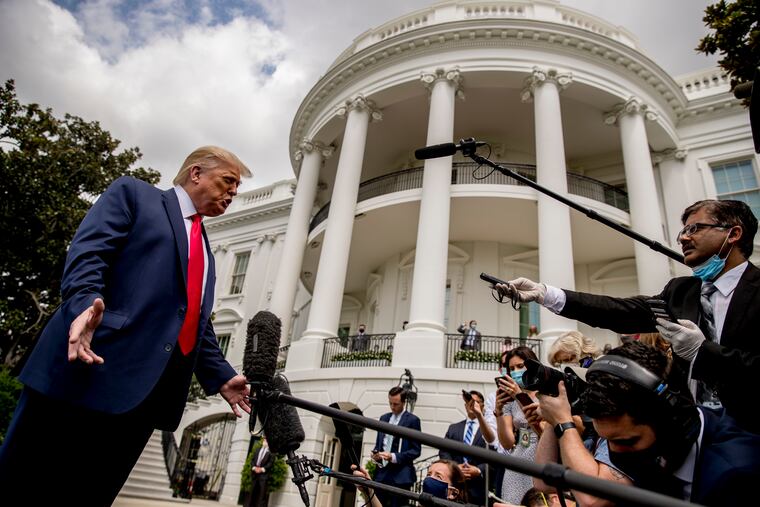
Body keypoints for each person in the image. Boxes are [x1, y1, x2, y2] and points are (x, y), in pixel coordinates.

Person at [0, 146, 253, 506]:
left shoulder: (206, 248)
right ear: (196, 174)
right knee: (24, 486)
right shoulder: (135, 195)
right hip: (86, 368)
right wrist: (85, 306)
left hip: (142, 401)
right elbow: (90, 254)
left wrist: (220, 374)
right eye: (228, 181)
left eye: (236, 188)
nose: (232, 192)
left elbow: (193, 319)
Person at [497, 199, 760, 431]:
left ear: (733, 234)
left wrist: (703, 354)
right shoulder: (680, 291)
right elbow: (618, 312)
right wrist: (545, 293)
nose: (683, 238)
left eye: (695, 228)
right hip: (693, 430)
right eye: (683, 231)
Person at [535, 341, 760, 506]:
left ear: (672, 419)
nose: (615, 452)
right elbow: (545, 484)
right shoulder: (652, 451)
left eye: (628, 441)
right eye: (607, 440)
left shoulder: (738, 474)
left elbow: (592, 500)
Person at [494, 346, 542, 505]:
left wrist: (519, 396)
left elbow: (543, 430)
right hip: (517, 459)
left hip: (541, 456)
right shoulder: (511, 399)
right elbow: (507, 443)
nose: (515, 371)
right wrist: (499, 411)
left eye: (520, 366)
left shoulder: (545, 392)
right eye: (512, 368)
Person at [371, 386, 422, 507]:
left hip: (401, 477)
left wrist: (393, 456)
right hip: (381, 475)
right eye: (390, 403)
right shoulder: (383, 418)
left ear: (404, 402)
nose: (393, 407)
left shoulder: (413, 420)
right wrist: (376, 454)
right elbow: (379, 443)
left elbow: (416, 450)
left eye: (396, 404)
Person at [439, 390, 489, 505]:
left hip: (479, 489)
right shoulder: (453, 428)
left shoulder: (490, 430)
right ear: (465, 405)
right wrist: (455, 467)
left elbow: (496, 456)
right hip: (455, 487)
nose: (472, 405)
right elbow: (444, 451)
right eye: (469, 402)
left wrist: (478, 470)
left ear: (482, 405)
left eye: (475, 402)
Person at [247, 438, 274, 507]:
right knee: (252, 492)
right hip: (255, 474)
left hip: (263, 476)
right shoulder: (257, 450)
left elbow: (270, 463)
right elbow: (252, 460)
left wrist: (262, 469)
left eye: (267, 441)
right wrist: (254, 468)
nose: (265, 442)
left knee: (262, 494)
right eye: (264, 440)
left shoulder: (271, 452)